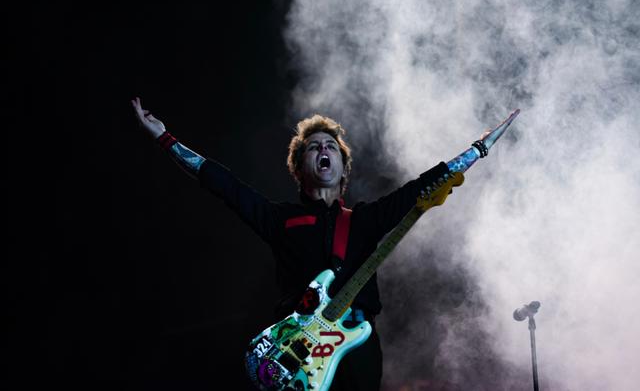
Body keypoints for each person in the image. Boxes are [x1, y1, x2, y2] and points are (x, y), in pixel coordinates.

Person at [131, 96, 459, 391]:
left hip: (356, 344)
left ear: (344, 168)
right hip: (296, 353)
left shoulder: (363, 220)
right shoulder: (280, 219)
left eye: (330, 146)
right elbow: (225, 186)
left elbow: (416, 190)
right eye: (314, 147)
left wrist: (475, 151)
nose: (323, 150)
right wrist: (165, 137)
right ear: (299, 168)